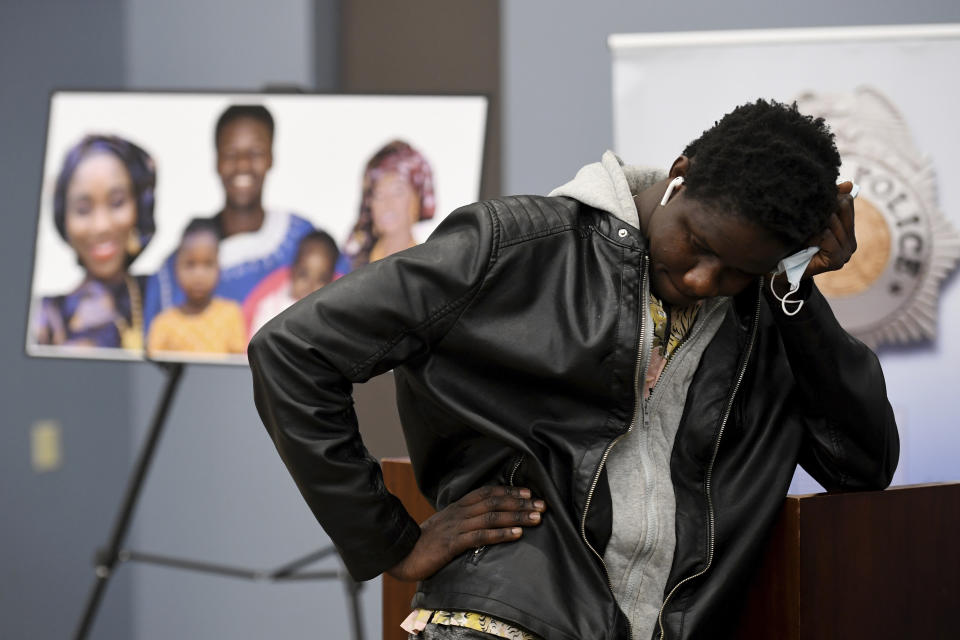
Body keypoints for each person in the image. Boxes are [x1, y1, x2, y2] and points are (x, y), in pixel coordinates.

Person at [248, 100, 899, 640]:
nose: (704, 278)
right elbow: (292, 350)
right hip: (499, 624)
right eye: (698, 242)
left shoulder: (769, 311)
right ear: (680, 175)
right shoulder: (517, 247)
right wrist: (389, 542)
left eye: (736, 270)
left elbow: (860, 465)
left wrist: (793, 293)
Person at [143, 104, 314, 334]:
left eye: (255, 152)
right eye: (231, 154)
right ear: (217, 162)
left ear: (271, 158)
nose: (243, 164)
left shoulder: (304, 242)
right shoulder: (177, 270)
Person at [32, 134, 156, 351]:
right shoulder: (46, 317)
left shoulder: (167, 292)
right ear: (64, 218)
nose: (101, 226)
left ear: (140, 207)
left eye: (117, 203)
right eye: (83, 209)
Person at [146, 219, 246, 356]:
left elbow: (236, 368)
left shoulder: (231, 315)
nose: (199, 275)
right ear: (176, 268)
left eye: (208, 264)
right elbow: (152, 371)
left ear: (219, 266)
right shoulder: (163, 324)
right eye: (190, 264)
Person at [340, 139, 435, 273]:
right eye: (378, 194)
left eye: (398, 191)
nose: (387, 203)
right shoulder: (349, 266)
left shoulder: (427, 271)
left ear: (417, 198)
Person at [243, 230, 341, 338]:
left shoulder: (332, 315)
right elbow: (257, 346)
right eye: (303, 275)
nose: (310, 286)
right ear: (292, 271)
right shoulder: (271, 307)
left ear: (332, 280)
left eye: (321, 279)